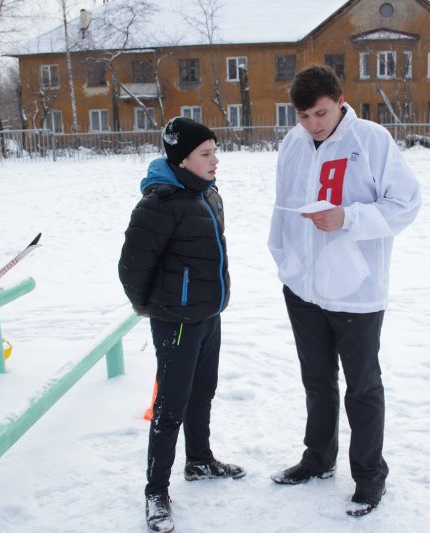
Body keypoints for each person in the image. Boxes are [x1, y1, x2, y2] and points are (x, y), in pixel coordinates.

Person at [267, 65, 421, 517]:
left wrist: (348, 217)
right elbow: (282, 207)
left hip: (356, 290)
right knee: (316, 382)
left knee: (363, 387)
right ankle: (318, 459)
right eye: (303, 116)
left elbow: (406, 204)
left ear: (340, 100)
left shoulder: (372, 140)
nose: (313, 125)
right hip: (303, 287)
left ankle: (370, 476)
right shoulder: (293, 143)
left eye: (320, 113)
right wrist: (284, 260)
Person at [119, 117, 244, 533]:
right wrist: (147, 306)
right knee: (170, 405)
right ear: (183, 158)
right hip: (176, 319)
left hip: (209, 314)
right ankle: (156, 492)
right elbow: (132, 266)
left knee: (202, 392)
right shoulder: (160, 203)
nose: (215, 161)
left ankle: (199, 460)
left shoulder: (207, 193)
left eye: (215, 152)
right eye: (206, 154)